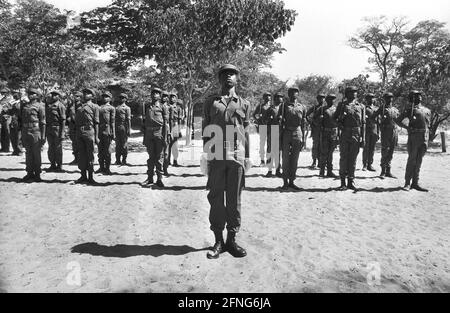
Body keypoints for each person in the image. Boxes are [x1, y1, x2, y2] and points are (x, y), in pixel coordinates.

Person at [202, 64, 250, 259]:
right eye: (224, 74)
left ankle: (231, 240)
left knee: (234, 200)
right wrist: (205, 155)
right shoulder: (211, 102)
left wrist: (247, 157)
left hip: (236, 157)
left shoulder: (244, 103)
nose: (228, 77)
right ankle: (218, 241)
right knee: (215, 199)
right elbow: (205, 129)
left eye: (232, 74)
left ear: (237, 78)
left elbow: (246, 131)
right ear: (219, 79)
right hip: (216, 155)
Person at [396, 90, 431, 192]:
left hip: (424, 137)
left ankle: (415, 183)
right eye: (415, 96)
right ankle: (407, 183)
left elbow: (428, 124)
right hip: (414, 137)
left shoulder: (427, 110)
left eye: (419, 95)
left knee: (419, 160)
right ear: (411, 98)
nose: (418, 97)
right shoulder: (409, 110)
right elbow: (398, 120)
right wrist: (407, 127)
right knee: (412, 160)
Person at [333, 86, 366, 190]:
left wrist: (363, 138)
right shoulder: (342, 105)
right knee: (344, 158)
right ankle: (343, 182)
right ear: (347, 94)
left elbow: (363, 123)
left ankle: (351, 181)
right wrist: (340, 125)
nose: (354, 94)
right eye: (351, 92)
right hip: (345, 133)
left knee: (353, 158)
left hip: (357, 133)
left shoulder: (361, 106)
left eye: (355, 92)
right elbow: (334, 118)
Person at [278, 87, 306, 190]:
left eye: (295, 92)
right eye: (291, 92)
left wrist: (303, 138)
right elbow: (280, 122)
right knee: (285, 158)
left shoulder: (302, 107)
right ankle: (285, 182)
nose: (293, 94)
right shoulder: (284, 106)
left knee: (295, 159)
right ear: (288, 94)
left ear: (298, 94)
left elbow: (303, 123)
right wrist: (280, 137)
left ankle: (292, 181)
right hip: (287, 132)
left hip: (297, 133)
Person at [142, 87, 169, 188]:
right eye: (153, 93)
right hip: (149, 133)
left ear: (160, 96)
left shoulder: (163, 107)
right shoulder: (147, 106)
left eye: (157, 93)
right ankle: (150, 178)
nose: (154, 95)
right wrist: (144, 137)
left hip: (159, 133)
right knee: (150, 157)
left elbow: (166, 123)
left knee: (159, 157)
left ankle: (159, 179)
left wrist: (165, 137)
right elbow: (144, 123)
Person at [19, 87, 46, 182]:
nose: (30, 95)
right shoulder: (24, 106)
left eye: (33, 94)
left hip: (35, 130)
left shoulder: (40, 106)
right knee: (28, 153)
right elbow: (21, 120)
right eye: (29, 93)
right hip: (26, 131)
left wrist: (43, 136)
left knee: (36, 153)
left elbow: (43, 122)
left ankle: (37, 174)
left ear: (36, 96)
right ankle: (29, 173)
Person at [75, 88, 99, 184]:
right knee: (81, 155)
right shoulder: (79, 107)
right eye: (84, 93)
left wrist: (96, 136)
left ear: (92, 96)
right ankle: (83, 175)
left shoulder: (95, 106)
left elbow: (96, 122)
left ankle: (90, 177)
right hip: (80, 132)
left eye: (88, 93)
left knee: (90, 154)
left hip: (90, 131)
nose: (85, 95)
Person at [375, 92, 399, 178]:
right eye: (387, 98)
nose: (390, 99)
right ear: (384, 99)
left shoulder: (395, 109)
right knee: (385, 151)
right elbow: (373, 117)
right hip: (386, 132)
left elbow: (398, 119)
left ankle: (388, 171)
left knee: (391, 151)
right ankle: (383, 171)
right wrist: (380, 124)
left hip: (394, 132)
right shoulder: (382, 108)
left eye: (391, 97)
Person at [314, 94, 338, 177]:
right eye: (330, 99)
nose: (332, 101)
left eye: (333, 99)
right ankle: (322, 171)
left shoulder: (337, 109)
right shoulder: (322, 109)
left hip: (334, 133)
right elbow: (314, 120)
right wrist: (319, 119)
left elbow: (340, 121)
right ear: (326, 100)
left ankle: (329, 171)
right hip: (325, 132)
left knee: (331, 153)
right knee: (324, 152)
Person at [44, 89, 66, 172]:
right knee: (51, 147)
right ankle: (52, 164)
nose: (53, 96)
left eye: (55, 95)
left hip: (57, 128)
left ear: (59, 96)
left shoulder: (61, 106)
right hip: (49, 128)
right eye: (52, 95)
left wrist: (62, 133)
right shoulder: (49, 106)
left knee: (58, 148)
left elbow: (63, 120)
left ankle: (59, 165)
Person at [96, 91, 116, 175]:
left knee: (107, 151)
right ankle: (101, 167)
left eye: (107, 97)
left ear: (110, 98)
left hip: (107, 131)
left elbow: (113, 121)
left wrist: (113, 133)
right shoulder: (99, 107)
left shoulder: (111, 108)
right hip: (100, 131)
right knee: (100, 150)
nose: (105, 98)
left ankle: (107, 168)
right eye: (103, 96)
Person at [265, 92, 283, 178]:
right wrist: (270, 119)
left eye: (281, 97)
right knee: (270, 151)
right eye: (278, 97)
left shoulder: (284, 108)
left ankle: (278, 170)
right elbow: (264, 120)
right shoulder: (270, 109)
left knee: (278, 152)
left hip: (281, 132)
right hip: (272, 131)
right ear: (275, 98)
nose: (280, 98)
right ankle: (269, 170)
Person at [306, 94, 326, 168]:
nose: (322, 100)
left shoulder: (326, 108)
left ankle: (321, 162)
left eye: (323, 98)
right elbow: (306, 115)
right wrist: (312, 122)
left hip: (324, 129)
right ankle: (314, 161)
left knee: (323, 146)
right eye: (320, 98)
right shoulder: (314, 108)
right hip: (316, 129)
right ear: (317, 99)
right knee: (315, 146)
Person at [253, 92, 272, 166]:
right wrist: (258, 120)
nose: (268, 97)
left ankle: (268, 160)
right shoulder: (260, 106)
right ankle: (262, 160)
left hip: (270, 127)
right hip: (262, 127)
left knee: (269, 144)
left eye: (269, 96)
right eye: (266, 96)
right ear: (264, 97)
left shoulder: (272, 106)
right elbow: (254, 115)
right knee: (262, 144)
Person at [362, 93, 379, 172]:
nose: (371, 99)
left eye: (372, 98)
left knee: (372, 148)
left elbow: (378, 121)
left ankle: (370, 164)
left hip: (374, 130)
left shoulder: (376, 108)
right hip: (367, 130)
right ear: (366, 99)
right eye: (369, 98)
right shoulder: (364, 108)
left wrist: (378, 133)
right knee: (366, 148)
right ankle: (364, 164)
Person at [115, 93, 131, 166]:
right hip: (117, 127)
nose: (121, 99)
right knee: (118, 144)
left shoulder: (127, 108)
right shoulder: (116, 108)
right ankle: (117, 160)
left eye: (123, 98)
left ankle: (124, 160)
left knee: (124, 144)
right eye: (120, 97)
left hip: (124, 127)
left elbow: (128, 119)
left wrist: (129, 130)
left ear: (125, 99)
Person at [67, 91, 83, 165]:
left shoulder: (82, 105)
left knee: (80, 143)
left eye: (77, 96)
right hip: (72, 126)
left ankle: (81, 159)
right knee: (74, 143)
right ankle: (76, 159)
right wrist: (69, 118)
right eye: (74, 96)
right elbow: (67, 114)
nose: (75, 97)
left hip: (80, 127)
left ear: (80, 97)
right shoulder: (70, 105)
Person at [168, 91, 183, 167]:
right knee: (168, 145)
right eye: (171, 97)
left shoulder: (178, 108)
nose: (172, 98)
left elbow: (179, 119)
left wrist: (179, 129)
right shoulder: (166, 107)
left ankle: (175, 160)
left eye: (174, 97)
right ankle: (167, 161)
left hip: (175, 126)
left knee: (175, 145)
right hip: (168, 126)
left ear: (176, 99)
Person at [9, 89, 24, 156]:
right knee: (12, 136)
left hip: (19, 121)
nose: (14, 94)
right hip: (12, 121)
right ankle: (15, 150)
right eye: (13, 93)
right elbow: (10, 112)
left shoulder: (22, 103)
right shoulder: (12, 102)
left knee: (18, 137)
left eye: (16, 93)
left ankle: (19, 150)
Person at [161, 90, 173, 175]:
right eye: (163, 96)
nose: (164, 97)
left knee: (166, 151)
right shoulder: (159, 107)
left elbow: (171, 121)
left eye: (166, 96)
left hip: (167, 131)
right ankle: (158, 168)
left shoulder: (170, 107)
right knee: (158, 152)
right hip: (159, 130)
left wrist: (171, 132)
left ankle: (165, 169)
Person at [0, 87, 13, 152]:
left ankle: (7, 147)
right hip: (2, 117)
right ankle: (3, 147)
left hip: (7, 117)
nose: (2, 93)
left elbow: (11, 108)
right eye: (1, 92)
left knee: (7, 133)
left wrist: (6, 109)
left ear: (7, 93)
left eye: (3, 92)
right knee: (2, 133)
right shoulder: (2, 99)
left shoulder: (10, 99)